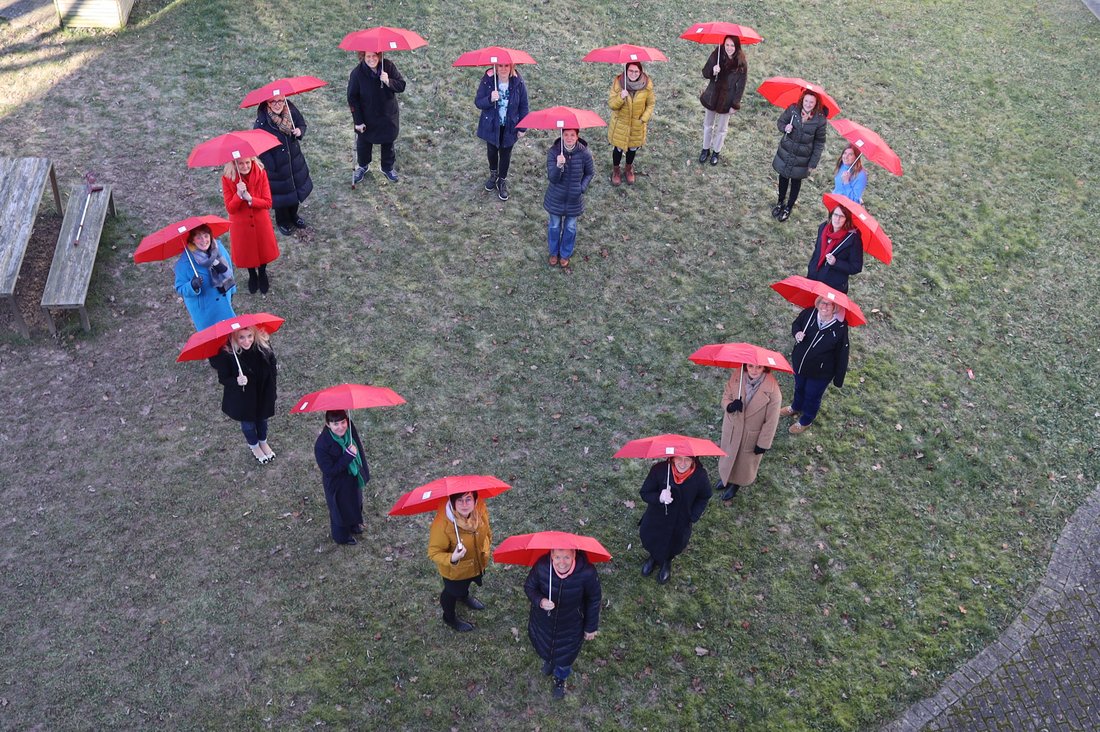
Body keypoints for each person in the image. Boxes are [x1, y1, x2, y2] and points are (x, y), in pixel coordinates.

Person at [524, 548, 601, 699]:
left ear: (574, 555)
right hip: (543, 622)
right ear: (552, 555)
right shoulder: (542, 566)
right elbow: (529, 587)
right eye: (557, 557)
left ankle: (560, 677)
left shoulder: (587, 573)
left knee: (565, 658)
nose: (562, 562)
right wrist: (540, 601)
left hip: (571, 626)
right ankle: (550, 661)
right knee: (545, 645)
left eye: (566, 557)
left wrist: (591, 627)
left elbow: (594, 599)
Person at [638, 455, 712, 584]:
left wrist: (693, 516)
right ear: (672, 458)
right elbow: (645, 493)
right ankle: (653, 557)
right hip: (655, 519)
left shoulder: (700, 476)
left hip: (681, 522)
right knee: (652, 540)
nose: (682, 464)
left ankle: (667, 561)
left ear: (694, 460)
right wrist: (659, 498)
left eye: (687, 459)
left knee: (674, 544)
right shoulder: (659, 470)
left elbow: (704, 496)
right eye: (679, 458)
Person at [209, 326, 277, 463]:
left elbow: (272, 367)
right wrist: (237, 381)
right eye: (241, 337)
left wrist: (272, 388)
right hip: (243, 398)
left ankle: (263, 441)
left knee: (263, 420)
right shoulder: (228, 354)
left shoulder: (263, 347)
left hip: (262, 392)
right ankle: (254, 446)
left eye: (250, 336)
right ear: (234, 338)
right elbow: (223, 378)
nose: (247, 341)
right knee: (248, 424)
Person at [715, 364, 782, 500]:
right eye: (751, 366)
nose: (754, 370)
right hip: (732, 429)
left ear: (765, 368)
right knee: (728, 454)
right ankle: (726, 477)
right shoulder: (737, 376)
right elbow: (726, 396)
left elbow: (771, 421)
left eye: (759, 367)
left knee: (743, 461)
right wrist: (730, 406)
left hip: (751, 435)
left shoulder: (773, 392)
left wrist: (763, 443)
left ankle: (736, 483)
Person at [784, 297, 850, 434]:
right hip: (800, 364)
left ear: (835, 307)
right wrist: (797, 333)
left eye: (829, 304)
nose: (824, 306)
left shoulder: (840, 328)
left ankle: (806, 420)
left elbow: (842, 354)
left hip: (821, 373)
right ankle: (795, 406)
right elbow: (796, 324)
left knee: (812, 396)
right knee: (799, 387)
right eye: (822, 302)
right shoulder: (809, 313)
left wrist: (838, 379)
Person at [428, 491, 491, 632]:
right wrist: (453, 558)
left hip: (476, 564)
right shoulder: (442, 525)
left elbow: (487, 531)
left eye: (468, 499)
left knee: (465, 585)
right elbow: (433, 553)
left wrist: (487, 546)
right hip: (455, 572)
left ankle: (464, 596)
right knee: (451, 593)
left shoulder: (480, 511)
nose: (464, 504)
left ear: (475, 501)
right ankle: (449, 618)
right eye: (459, 500)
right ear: (452, 502)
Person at [254, 95, 314, 236]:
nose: (277, 104)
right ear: (267, 103)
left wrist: (300, 131)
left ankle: (294, 216)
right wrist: (272, 166)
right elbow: (259, 148)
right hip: (276, 168)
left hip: (294, 162)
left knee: (296, 192)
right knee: (281, 197)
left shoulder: (291, 111)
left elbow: (301, 124)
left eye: (280, 100)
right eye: (273, 101)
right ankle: (282, 221)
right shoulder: (262, 122)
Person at [221, 157, 279, 294]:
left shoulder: (261, 173)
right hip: (241, 224)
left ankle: (263, 273)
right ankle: (252, 274)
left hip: (260, 221)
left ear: (252, 161)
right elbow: (230, 208)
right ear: (234, 164)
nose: (245, 166)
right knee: (247, 251)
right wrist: (238, 195)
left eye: (247, 162)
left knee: (262, 249)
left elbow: (267, 203)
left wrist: (250, 199)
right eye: (240, 163)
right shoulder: (227, 179)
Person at [348, 51, 406, 184]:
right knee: (364, 143)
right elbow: (352, 98)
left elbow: (401, 86)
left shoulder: (389, 67)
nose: (371, 59)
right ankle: (362, 166)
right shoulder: (357, 73)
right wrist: (358, 121)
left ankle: (387, 168)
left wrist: (388, 81)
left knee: (388, 141)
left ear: (379, 56)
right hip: (367, 116)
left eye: (374, 56)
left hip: (387, 115)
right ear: (363, 57)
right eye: (368, 56)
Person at [474, 63, 528, 201]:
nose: (503, 69)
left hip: (510, 126)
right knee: (492, 151)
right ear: (496, 67)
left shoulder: (518, 83)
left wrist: (522, 128)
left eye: (506, 66)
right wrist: (490, 99)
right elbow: (478, 102)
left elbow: (524, 106)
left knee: (505, 154)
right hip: (492, 125)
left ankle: (501, 180)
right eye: (500, 66)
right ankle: (493, 174)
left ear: (511, 67)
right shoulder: (488, 81)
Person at [772, 90, 828, 221]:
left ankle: (788, 207)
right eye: (806, 101)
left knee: (796, 182)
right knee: (783, 179)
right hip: (786, 152)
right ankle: (780, 202)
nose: (808, 104)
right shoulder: (793, 110)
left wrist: (813, 163)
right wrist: (785, 127)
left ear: (816, 103)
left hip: (803, 158)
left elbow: (819, 143)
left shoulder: (819, 120)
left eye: (811, 102)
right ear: (802, 100)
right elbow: (780, 122)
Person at [314, 410, 367, 546]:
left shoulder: (349, 428)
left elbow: (358, 447)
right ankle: (341, 537)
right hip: (337, 484)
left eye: (343, 422)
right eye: (335, 423)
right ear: (328, 424)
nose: (341, 427)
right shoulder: (321, 445)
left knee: (356, 502)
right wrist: (348, 456)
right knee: (340, 511)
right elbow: (329, 471)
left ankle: (355, 524)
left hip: (353, 476)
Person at [544, 128, 594, 272]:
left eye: (572, 135)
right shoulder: (554, 152)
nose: (569, 138)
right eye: (566, 134)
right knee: (554, 226)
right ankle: (554, 253)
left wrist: (581, 188)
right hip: (555, 198)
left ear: (577, 136)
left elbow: (590, 173)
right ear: (562, 135)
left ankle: (565, 254)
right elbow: (552, 178)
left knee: (570, 228)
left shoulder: (584, 153)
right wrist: (559, 165)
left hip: (574, 199)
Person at [173, 224, 236, 331]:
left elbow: (228, 268)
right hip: (206, 312)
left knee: (230, 336)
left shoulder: (218, 248)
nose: (204, 240)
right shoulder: (184, 263)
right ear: (192, 240)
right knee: (213, 341)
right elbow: (180, 288)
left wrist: (232, 290)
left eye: (206, 236)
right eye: (198, 237)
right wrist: (192, 286)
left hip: (225, 302)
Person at [697, 36, 747, 167]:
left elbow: (741, 86)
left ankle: (716, 152)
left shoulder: (741, 63)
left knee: (722, 129)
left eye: (732, 45)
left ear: (736, 47)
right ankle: (705, 149)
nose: (729, 48)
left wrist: (735, 104)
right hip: (712, 96)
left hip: (727, 100)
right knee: (708, 125)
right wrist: (713, 70)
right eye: (727, 45)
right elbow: (705, 73)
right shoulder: (716, 55)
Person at [607, 61, 654, 185]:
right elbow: (612, 105)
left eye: (636, 71)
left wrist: (643, 119)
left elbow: (650, 104)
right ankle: (616, 170)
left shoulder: (647, 85)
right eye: (630, 71)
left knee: (632, 148)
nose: (633, 74)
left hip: (637, 124)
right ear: (626, 71)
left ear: (640, 72)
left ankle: (628, 169)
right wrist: (620, 97)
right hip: (620, 124)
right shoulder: (619, 83)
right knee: (618, 148)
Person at [807, 206, 863, 293]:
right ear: (831, 215)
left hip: (832, 287)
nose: (837, 219)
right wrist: (811, 268)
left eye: (842, 216)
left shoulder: (852, 239)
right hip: (813, 278)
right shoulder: (823, 228)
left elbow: (856, 267)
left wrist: (836, 263)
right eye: (835, 215)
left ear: (847, 219)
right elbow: (817, 252)